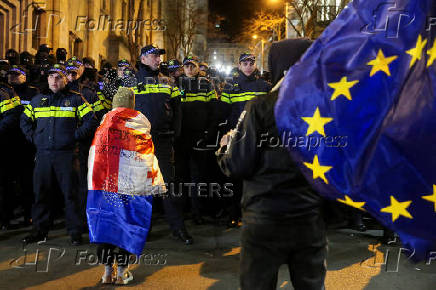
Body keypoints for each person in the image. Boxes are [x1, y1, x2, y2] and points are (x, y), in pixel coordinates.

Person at [216, 38, 327, 290]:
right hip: (308, 218)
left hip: (265, 217)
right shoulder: (325, 108)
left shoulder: (261, 106)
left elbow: (238, 165)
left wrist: (224, 148)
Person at [88, 87, 165, 285]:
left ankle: (106, 273)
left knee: (105, 224)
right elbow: (147, 158)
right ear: (132, 104)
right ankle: (121, 274)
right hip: (131, 189)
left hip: (104, 187)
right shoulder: (140, 125)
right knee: (126, 225)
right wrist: (155, 182)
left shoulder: (103, 125)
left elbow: (94, 158)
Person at [20, 64, 98, 245]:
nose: (54, 81)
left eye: (58, 77)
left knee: (70, 194)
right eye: (51, 77)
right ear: (47, 79)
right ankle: (40, 231)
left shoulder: (76, 99)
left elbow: (91, 121)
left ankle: (75, 232)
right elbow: (24, 121)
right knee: (41, 193)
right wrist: (35, 138)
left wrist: (74, 137)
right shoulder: (38, 100)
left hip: (67, 155)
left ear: (65, 80)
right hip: (44, 155)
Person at [134, 45, 193, 244]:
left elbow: (178, 110)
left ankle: (178, 229)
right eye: (153, 56)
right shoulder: (130, 81)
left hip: (163, 140)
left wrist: (175, 133)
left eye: (159, 56)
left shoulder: (168, 81)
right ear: (142, 59)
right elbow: (122, 110)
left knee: (168, 185)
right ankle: (143, 230)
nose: (158, 59)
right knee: (143, 188)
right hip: (139, 143)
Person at [220, 52, 271, 227]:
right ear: (239, 65)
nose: (248, 66)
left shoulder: (264, 86)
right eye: (245, 63)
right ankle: (233, 214)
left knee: (256, 178)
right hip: (237, 138)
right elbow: (224, 113)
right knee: (234, 178)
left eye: (251, 63)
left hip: (258, 138)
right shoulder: (230, 86)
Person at [177, 55, 220, 224]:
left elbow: (214, 110)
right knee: (181, 175)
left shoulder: (206, 84)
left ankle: (197, 212)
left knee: (198, 176)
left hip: (199, 137)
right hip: (181, 137)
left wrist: (208, 133)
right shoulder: (177, 84)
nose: (189, 69)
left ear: (197, 67)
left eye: (192, 66)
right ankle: (183, 210)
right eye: (186, 66)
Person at [7, 66, 39, 226]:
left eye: (16, 75)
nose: (12, 77)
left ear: (24, 77)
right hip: (9, 143)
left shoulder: (33, 93)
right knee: (8, 182)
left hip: (27, 144)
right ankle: (7, 215)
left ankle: (28, 214)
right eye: (10, 75)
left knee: (27, 181)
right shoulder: (5, 92)